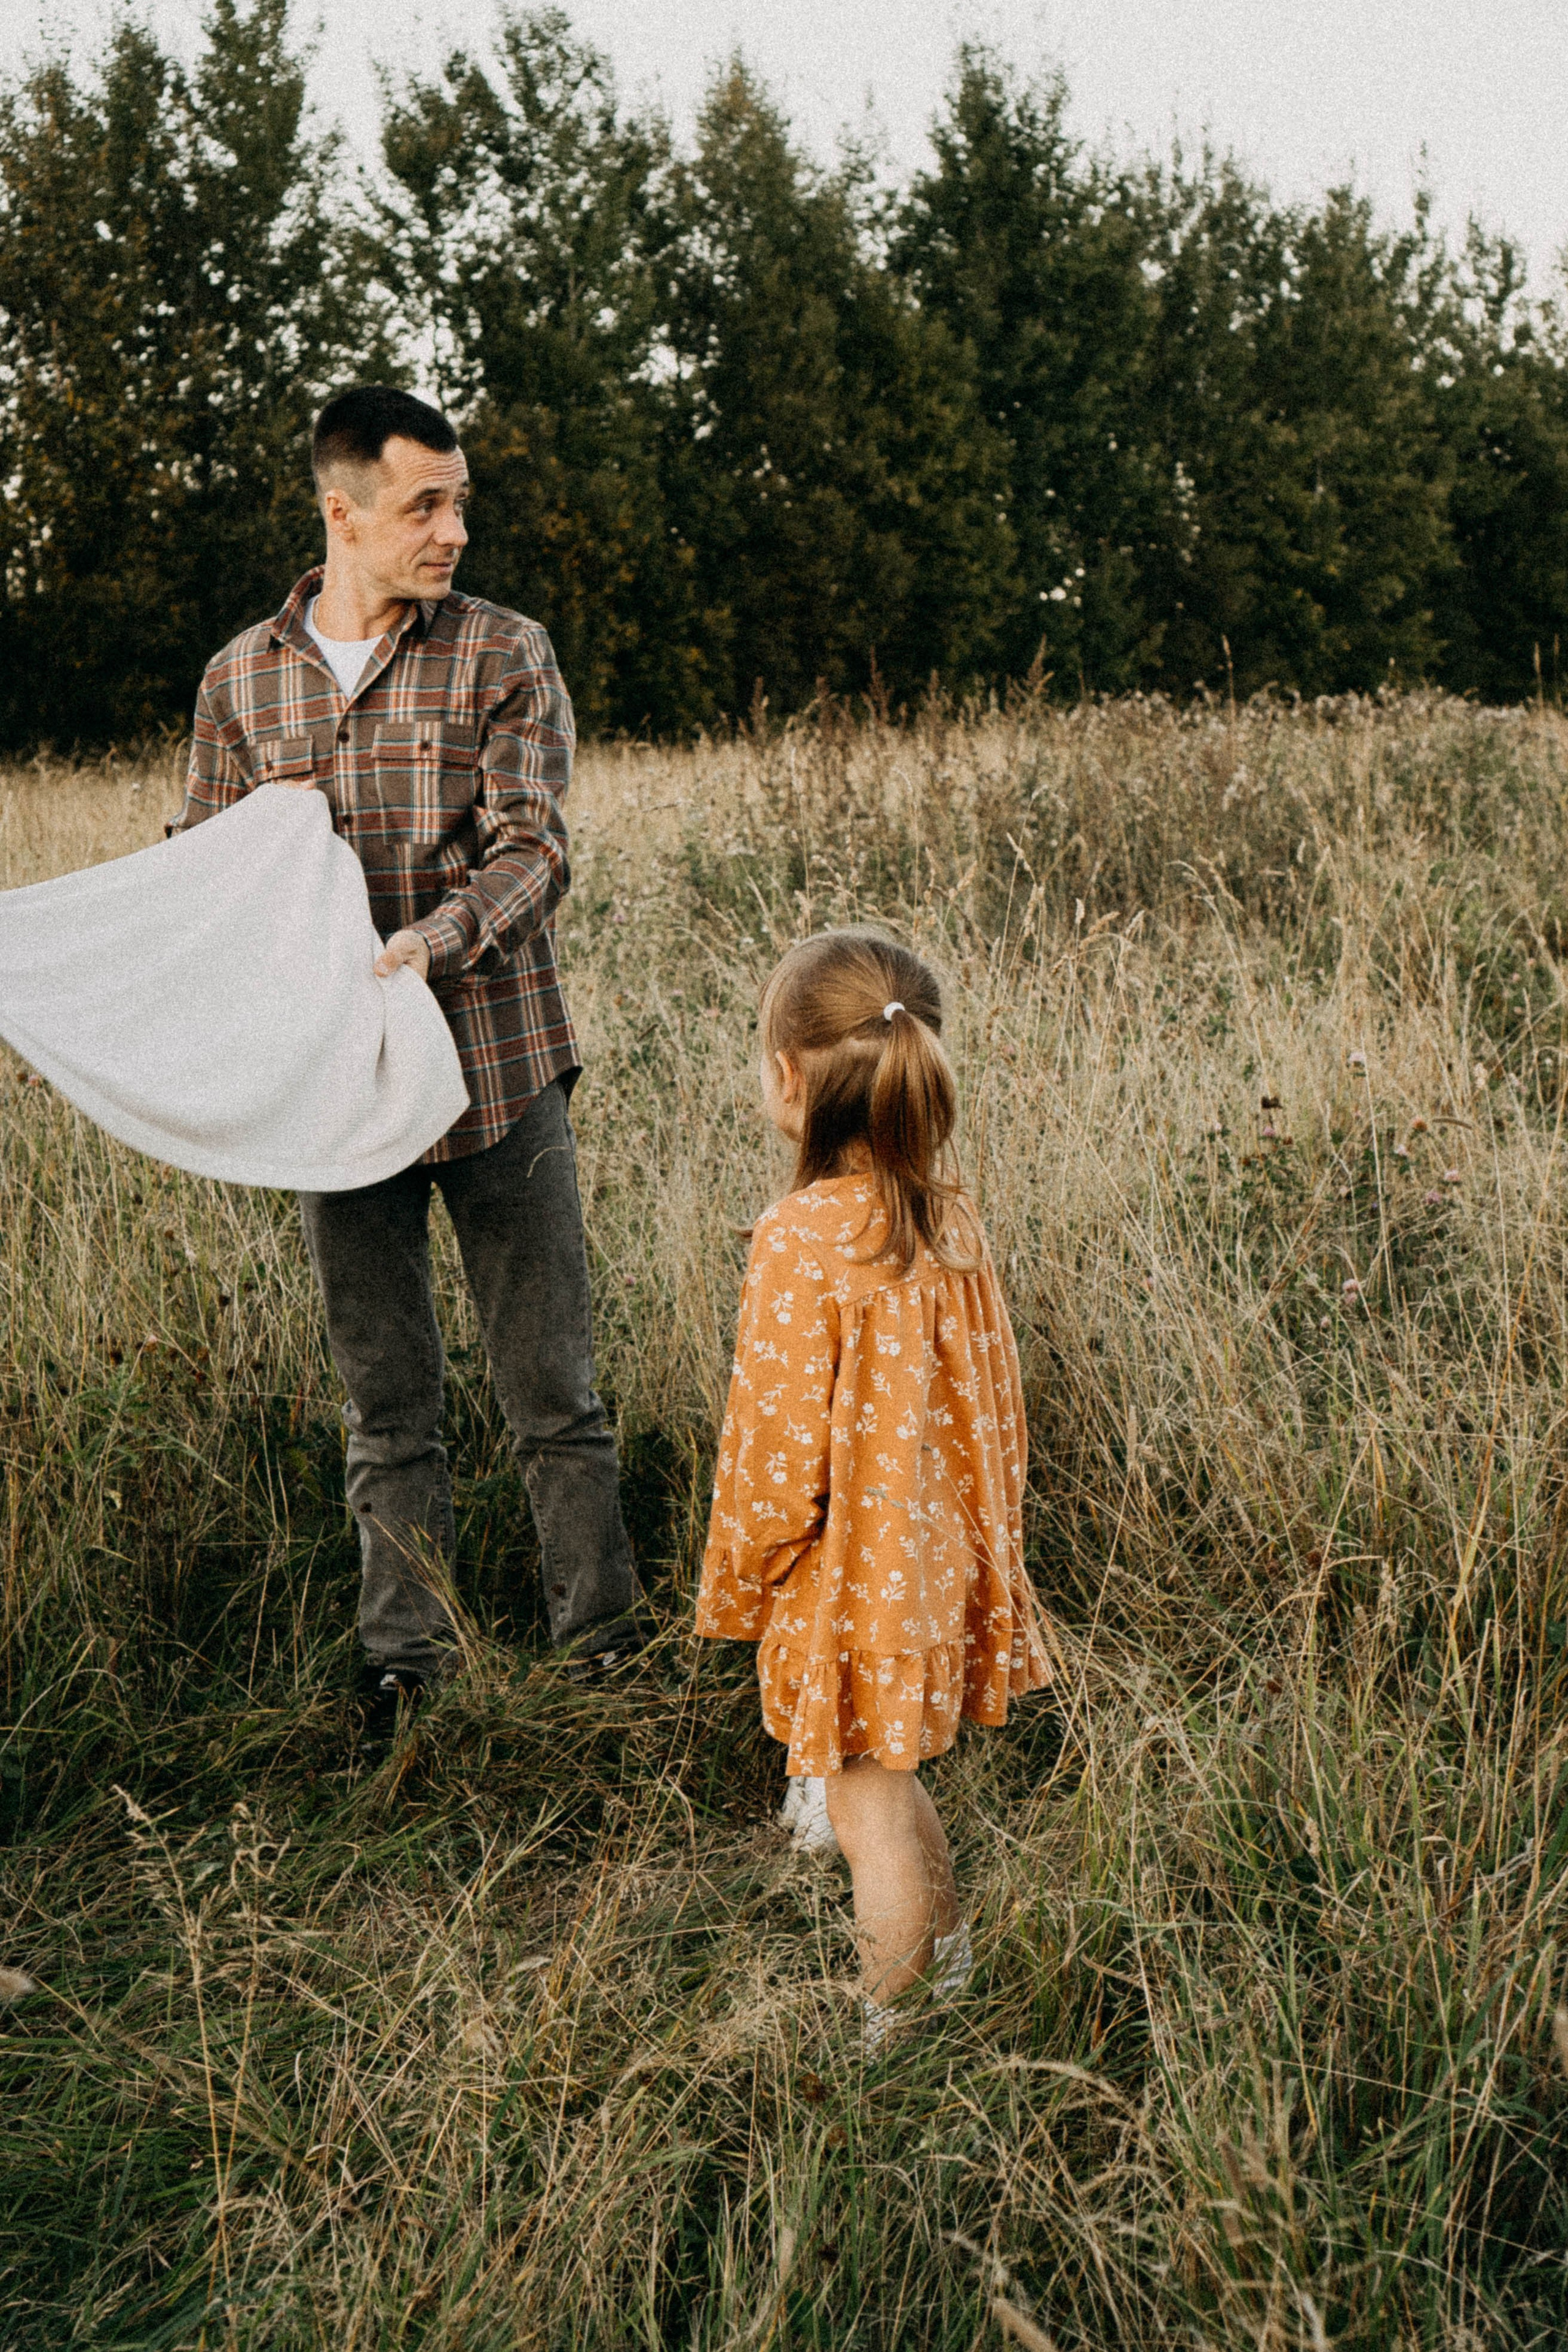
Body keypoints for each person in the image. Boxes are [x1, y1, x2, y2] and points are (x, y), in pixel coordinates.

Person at [170, 383, 650, 1740]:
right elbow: (201, 874)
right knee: (385, 1402)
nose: (450, 532)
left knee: (552, 1393)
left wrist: (436, 942)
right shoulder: (240, 680)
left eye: (460, 505)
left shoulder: (505, 652)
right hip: (341, 1097)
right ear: (343, 513)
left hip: (498, 1065)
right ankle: (407, 1668)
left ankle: (601, 1654)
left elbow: (534, 847)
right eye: (422, 506)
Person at [695, 928, 1053, 2049]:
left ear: (789, 1079)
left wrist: (742, 1579)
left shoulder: (800, 1242)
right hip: (940, 1566)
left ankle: (895, 2044)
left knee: (868, 1816)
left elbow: (774, 1455)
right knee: (895, 1788)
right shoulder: (950, 1219)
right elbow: (998, 1411)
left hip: (850, 1584)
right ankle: (946, 1979)